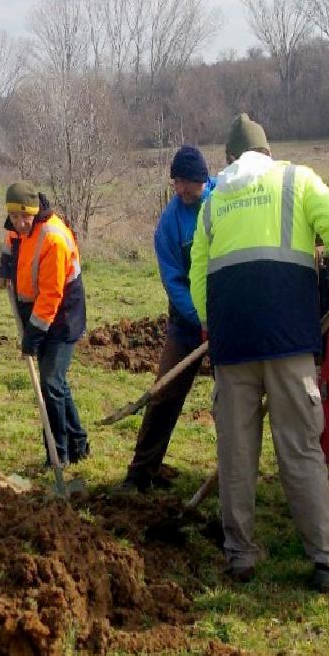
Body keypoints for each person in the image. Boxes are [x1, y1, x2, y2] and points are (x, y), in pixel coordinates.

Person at [189, 114, 329, 592]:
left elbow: (199, 273)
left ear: (228, 160)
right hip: (288, 342)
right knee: (300, 451)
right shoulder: (297, 180)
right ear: (268, 152)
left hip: (232, 344)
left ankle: (239, 555)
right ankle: (327, 561)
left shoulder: (212, 201)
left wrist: (212, 327)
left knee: (236, 453)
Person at [117, 145, 217, 494]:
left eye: (187, 183)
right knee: (164, 394)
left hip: (229, 321)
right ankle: (139, 475)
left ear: (203, 179)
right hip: (188, 323)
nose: (181, 190)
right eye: (176, 183)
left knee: (233, 400)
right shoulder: (169, 224)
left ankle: (234, 477)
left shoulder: (224, 201)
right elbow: (174, 281)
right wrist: (199, 318)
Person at [0, 181, 89, 466]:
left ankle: (57, 454)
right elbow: (11, 249)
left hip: (63, 314)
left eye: (24, 217)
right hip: (37, 310)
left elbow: (51, 295)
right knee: (56, 382)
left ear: (34, 212)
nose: (19, 223)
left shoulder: (53, 238)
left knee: (50, 381)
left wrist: (33, 335)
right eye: (14, 217)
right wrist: (4, 268)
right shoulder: (15, 231)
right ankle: (78, 444)